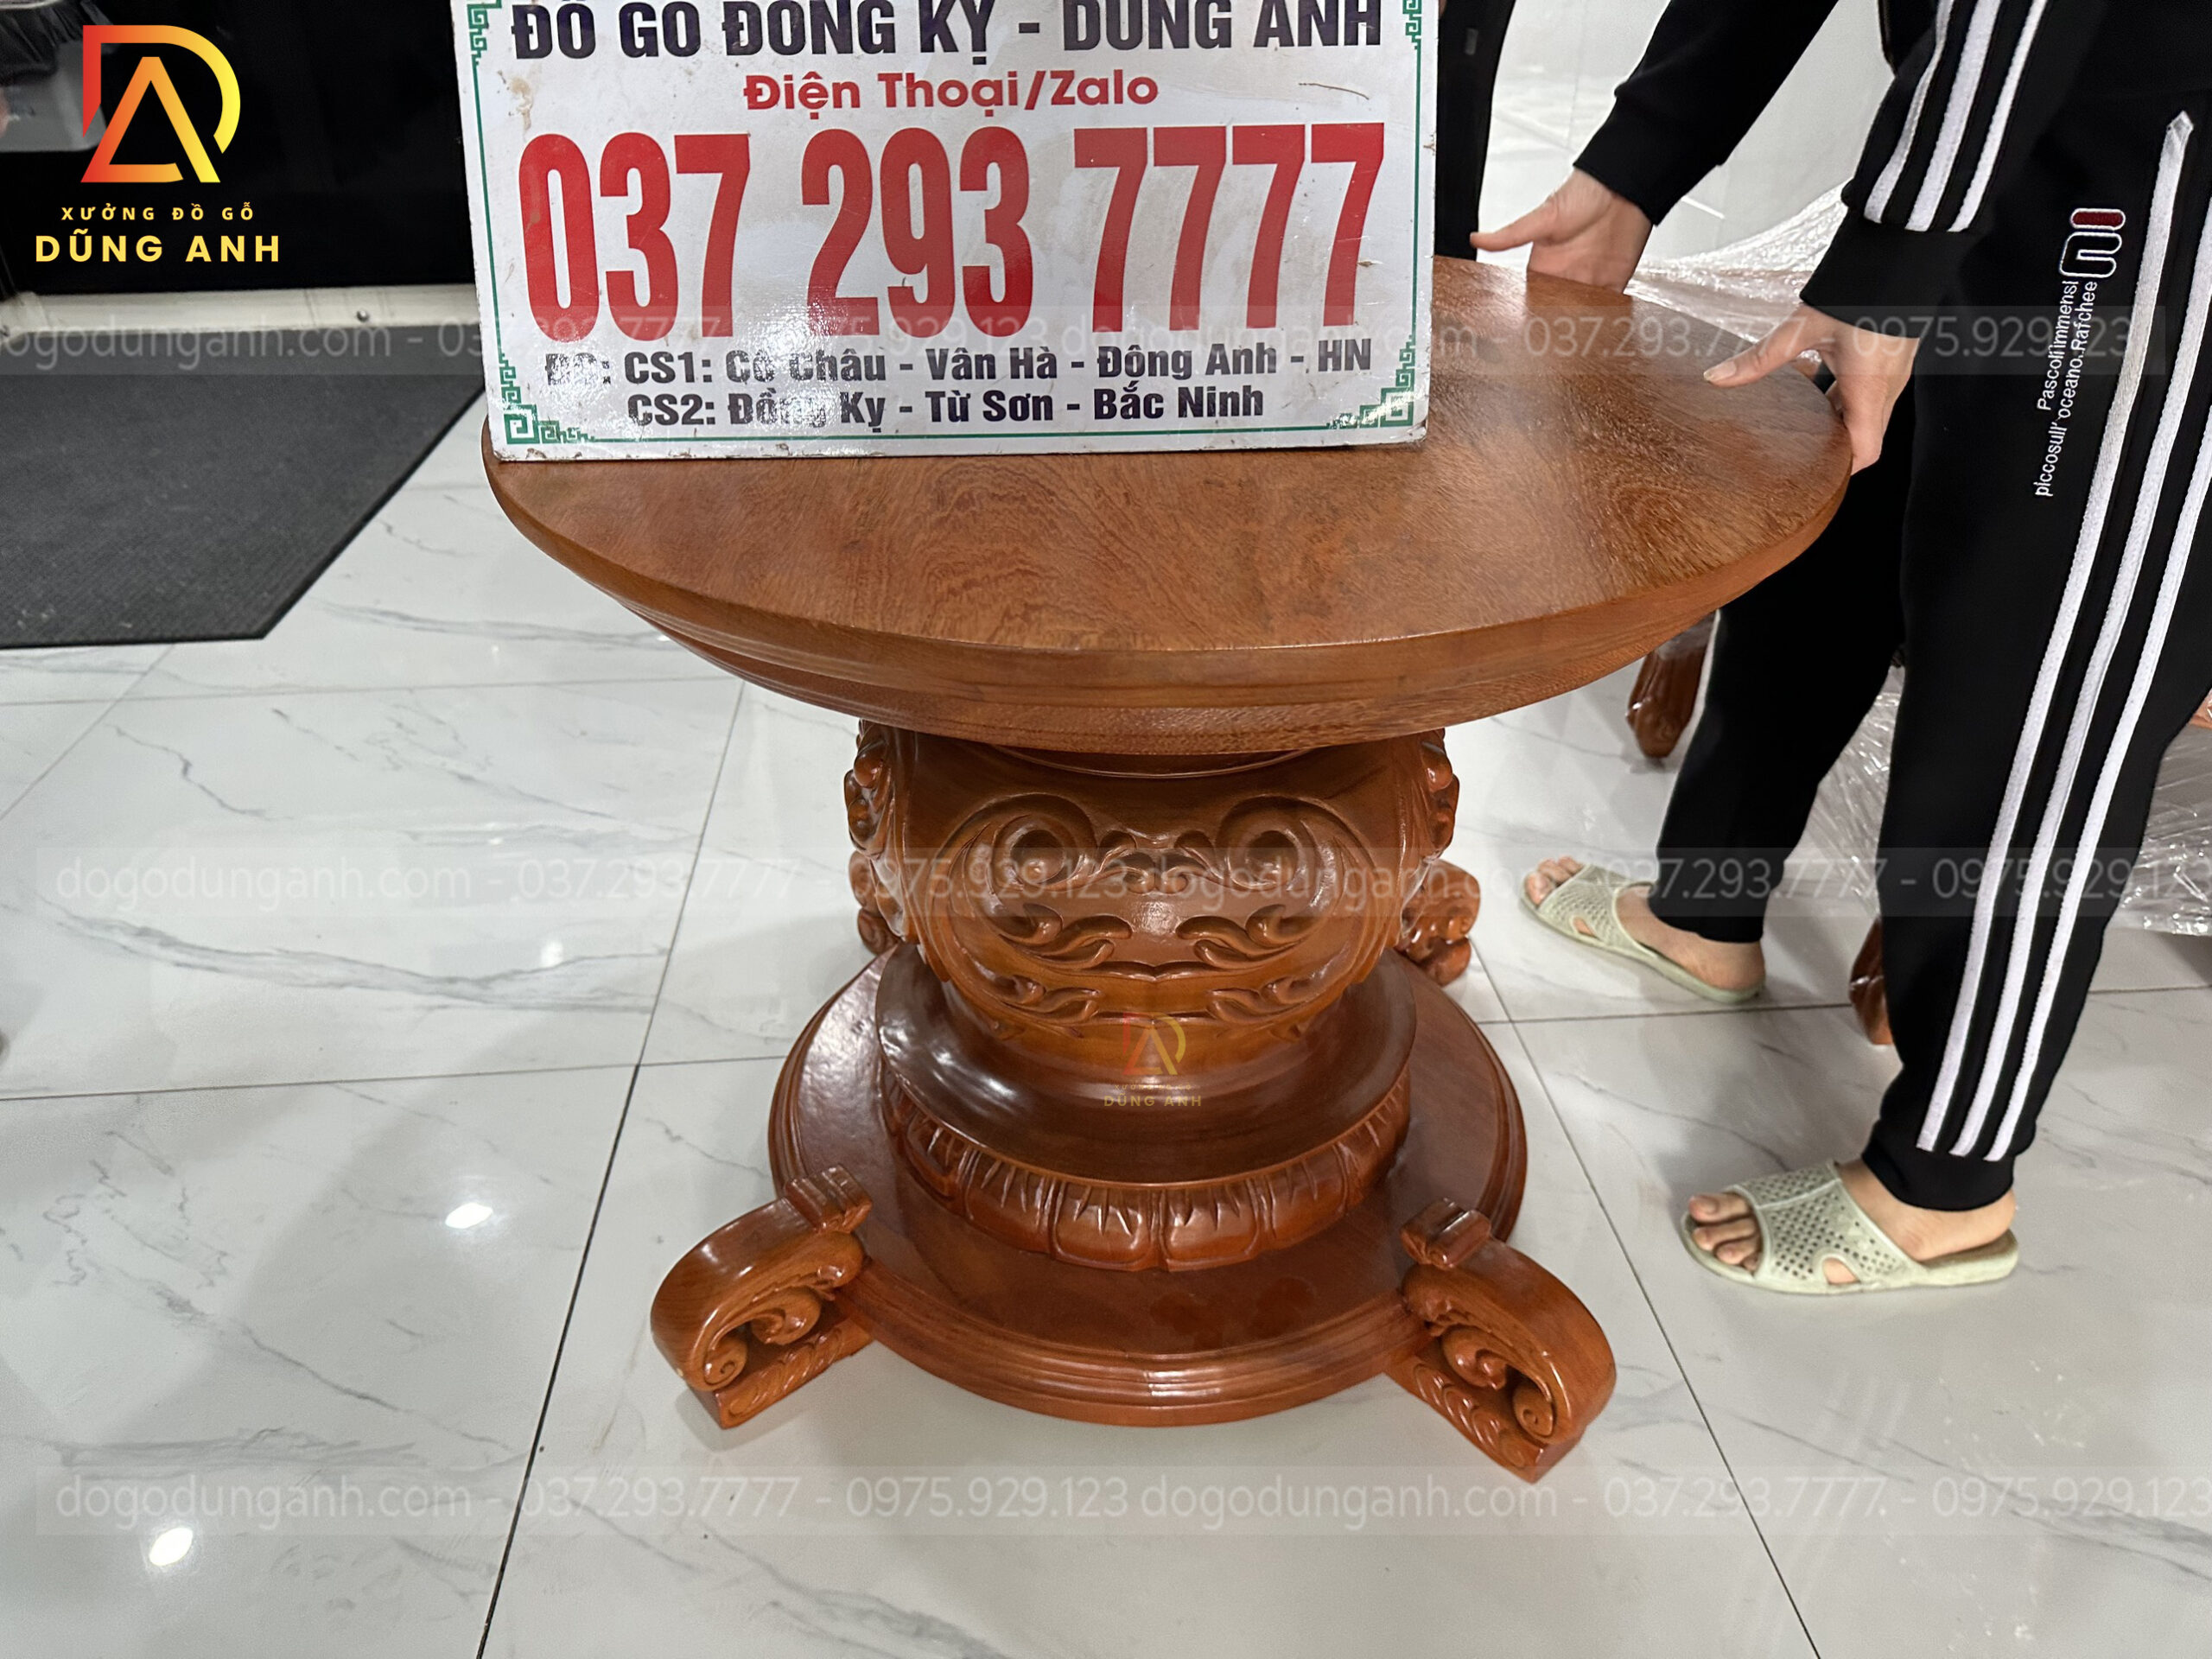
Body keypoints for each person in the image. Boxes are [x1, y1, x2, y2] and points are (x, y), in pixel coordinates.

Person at [1478, 0, 2212, 1294]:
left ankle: (1948, 1182)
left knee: (2031, 684)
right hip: (1995, 149)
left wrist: (1891, 262)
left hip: (2157, 196)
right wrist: (1640, 161)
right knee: (1835, 528)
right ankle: (1706, 911)